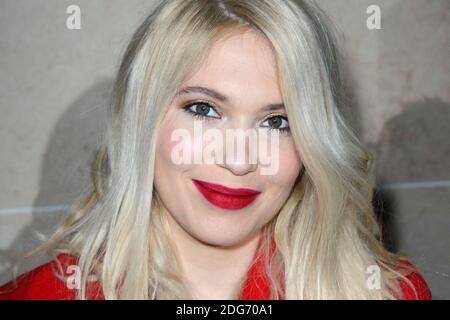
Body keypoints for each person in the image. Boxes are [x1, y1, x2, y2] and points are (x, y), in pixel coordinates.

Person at [0, 0, 431, 300]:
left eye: (277, 122)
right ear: (141, 121)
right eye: (203, 109)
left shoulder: (391, 293)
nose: (239, 158)